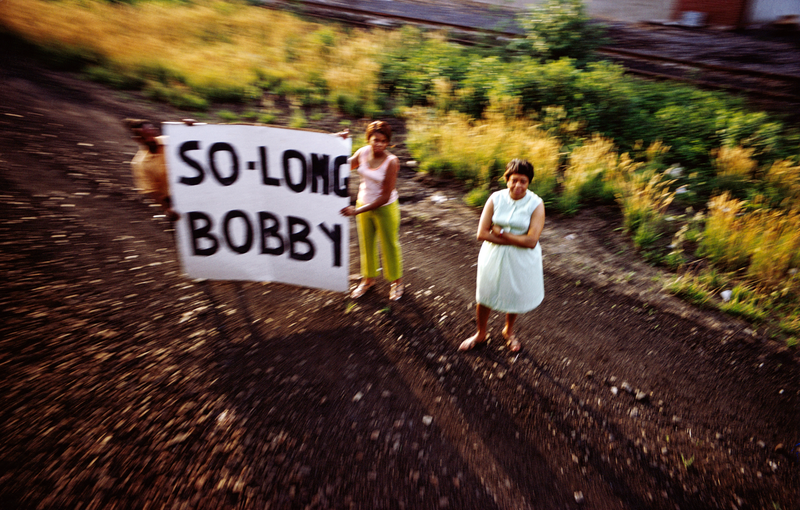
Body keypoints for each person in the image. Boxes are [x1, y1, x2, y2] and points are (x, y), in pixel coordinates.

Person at [459, 159, 545, 353]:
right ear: (507, 180)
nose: (518, 185)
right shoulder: (495, 198)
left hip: (522, 259)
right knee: (485, 294)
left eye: (523, 181)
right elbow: (481, 233)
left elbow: (532, 241)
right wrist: (516, 239)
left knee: (514, 293)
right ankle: (481, 333)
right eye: (514, 180)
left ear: (529, 182)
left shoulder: (536, 204)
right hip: (493, 254)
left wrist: (500, 233)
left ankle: (508, 331)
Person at [340, 120, 404, 301]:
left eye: (383, 141)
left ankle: (397, 282)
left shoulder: (391, 162)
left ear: (388, 142)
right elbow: (341, 164)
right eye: (375, 140)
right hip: (363, 203)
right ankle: (368, 280)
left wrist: (357, 211)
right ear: (369, 138)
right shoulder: (362, 152)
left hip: (385, 207)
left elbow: (384, 196)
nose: (379, 144)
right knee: (366, 243)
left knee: (389, 245)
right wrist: (339, 142)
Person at [123, 118, 179, 221]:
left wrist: (190, 127)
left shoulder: (172, 140)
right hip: (174, 201)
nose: (151, 139)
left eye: (153, 134)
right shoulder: (140, 163)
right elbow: (153, 191)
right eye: (146, 137)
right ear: (137, 139)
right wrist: (167, 209)